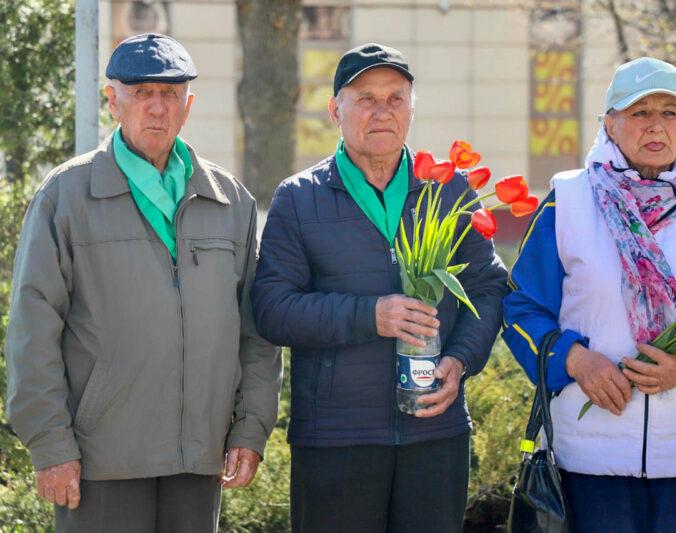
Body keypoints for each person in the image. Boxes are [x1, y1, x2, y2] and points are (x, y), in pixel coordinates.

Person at [5, 33, 282, 532]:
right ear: (113, 101)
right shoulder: (66, 196)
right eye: (141, 93)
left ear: (188, 106)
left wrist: (250, 428)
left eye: (170, 94)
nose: (157, 107)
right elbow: (33, 330)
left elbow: (256, 330)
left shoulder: (230, 200)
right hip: (101, 460)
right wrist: (50, 444)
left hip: (198, 458)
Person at [503, 57, 676, 532]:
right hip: (590, 458)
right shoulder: (568, 201)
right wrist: (575, 360)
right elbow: (521, 308)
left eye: (669, 112)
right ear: (609, 125)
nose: (656, 125)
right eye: (639, 112)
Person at [251, 43, 507, 532]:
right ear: (335, 110)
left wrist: (461, 360)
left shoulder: (449, 190)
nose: (382, 111)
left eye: (395, 99)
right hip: (336, 437)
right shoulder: (299, 198)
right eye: (366, 99)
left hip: (435, 431)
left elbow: (489, 287)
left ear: (411, 109)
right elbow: (272, 309)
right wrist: (370, 315)